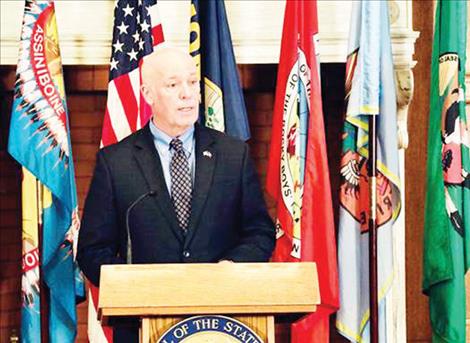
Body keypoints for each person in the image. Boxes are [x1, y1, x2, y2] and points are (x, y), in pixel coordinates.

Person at [77, 48, 275, 342]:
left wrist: (229, 268)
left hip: (222, 322)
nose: (187, 94)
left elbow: (260, 233)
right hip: (141, 324)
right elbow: (92, 251)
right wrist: (138, 284)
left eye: (192, 83)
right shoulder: (115, 162)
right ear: (148, 94)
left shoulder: (233, 154)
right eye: (173, 85)